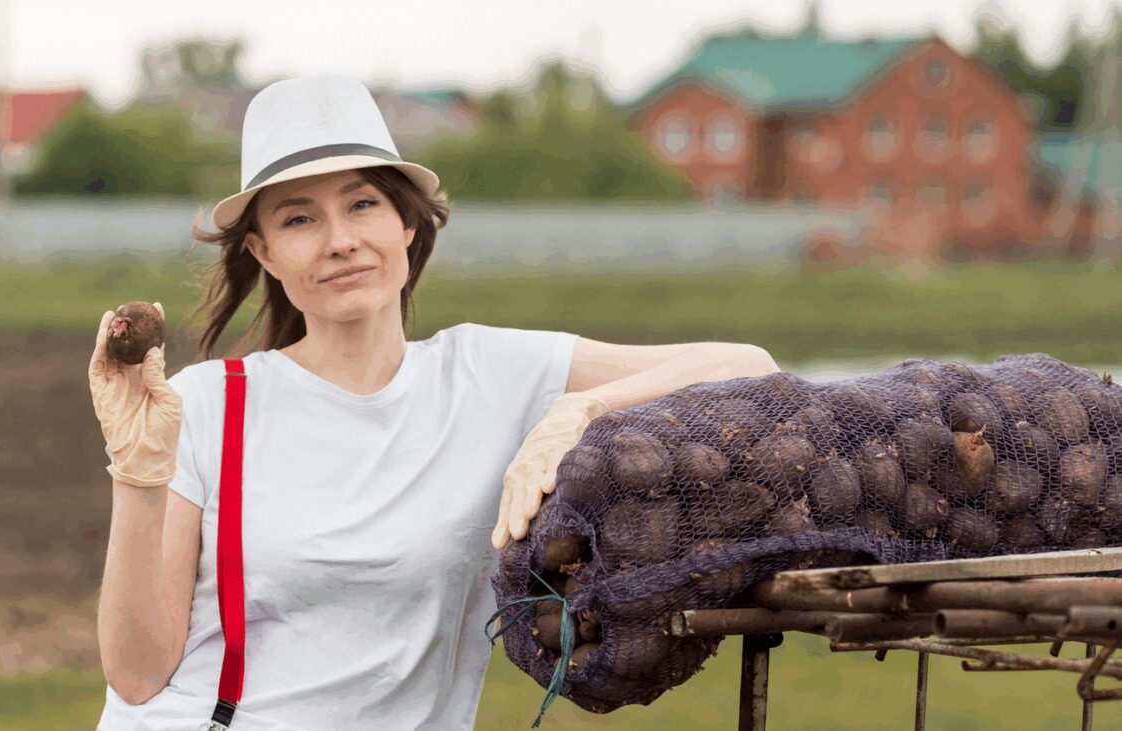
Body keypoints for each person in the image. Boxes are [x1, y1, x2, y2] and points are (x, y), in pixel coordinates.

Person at [88, 73, 780, 730]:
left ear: (408, 224)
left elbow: (748, 365)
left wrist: (582, 410)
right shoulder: (209, 405)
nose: (341, 241)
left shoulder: (487, 374)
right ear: (265, 253)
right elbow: (139, 674)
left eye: (363, 204)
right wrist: (138, 477)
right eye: (300, 219)